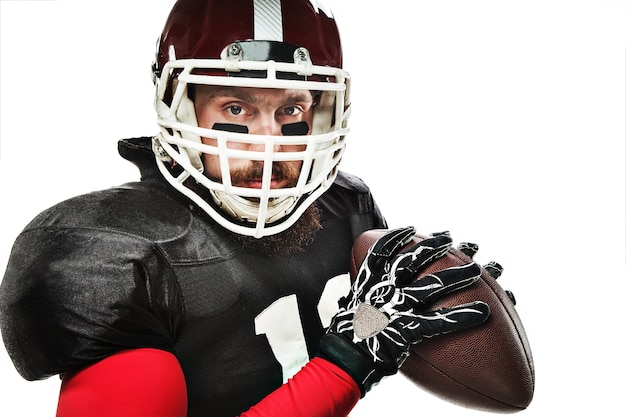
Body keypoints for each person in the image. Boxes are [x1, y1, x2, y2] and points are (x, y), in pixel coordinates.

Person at [0, 1, 490, 416]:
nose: (268, 143)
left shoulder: (346, 205)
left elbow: (355, 328)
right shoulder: (111, 251)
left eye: (290, 110)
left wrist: (384, 320)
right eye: (236, 108)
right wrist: (343, 366)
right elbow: (347, 355)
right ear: (181, 105)